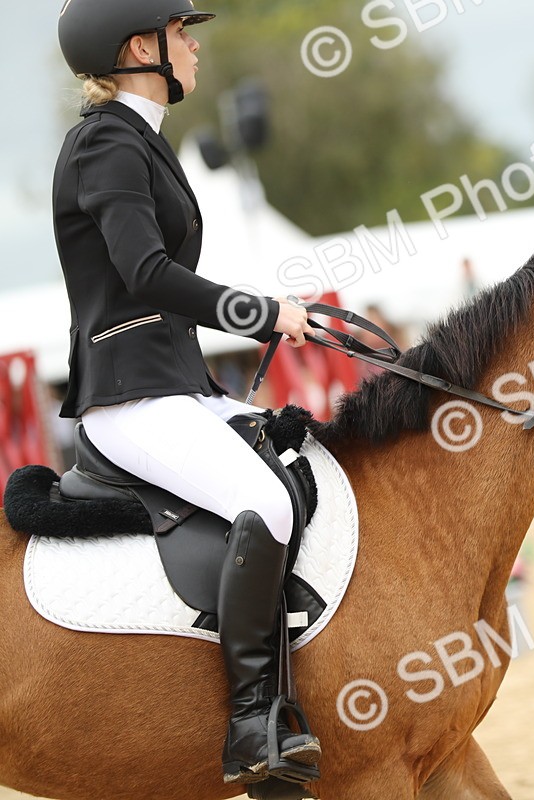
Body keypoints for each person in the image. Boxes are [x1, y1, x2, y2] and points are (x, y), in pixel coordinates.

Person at [54, 0, 321, 786]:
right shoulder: (106, 143)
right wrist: (260, 311)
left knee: (307, 456)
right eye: (182, 34)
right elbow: (143, 273)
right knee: (265, 504)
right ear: (142, 47)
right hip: (129, 398)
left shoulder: (143, 141)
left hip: (176, 386)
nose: (193, 47)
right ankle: (251, 723)